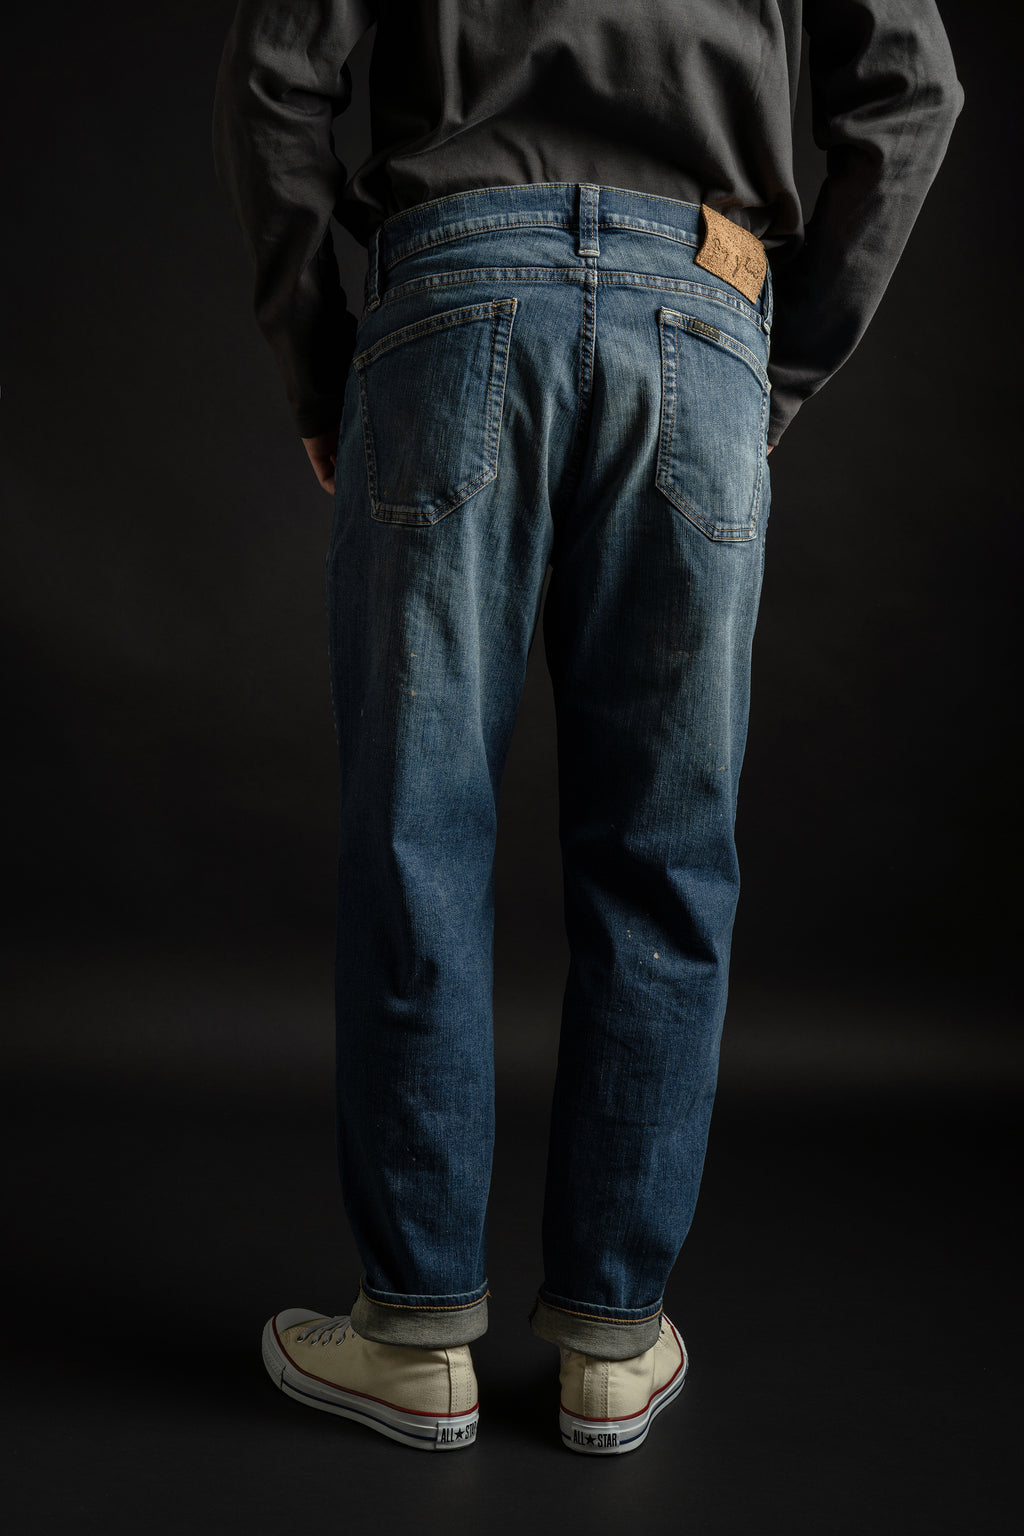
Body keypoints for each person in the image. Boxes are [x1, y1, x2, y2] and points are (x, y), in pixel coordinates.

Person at [213, 0, 964, 1455]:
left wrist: (320, 351)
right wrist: (766, 361)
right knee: (664, 856)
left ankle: (414, 1337)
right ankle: (612, 1344)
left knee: (418, 837)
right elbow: (913, 89)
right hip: (703, 299)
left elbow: (272, 72)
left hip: (450, 294)